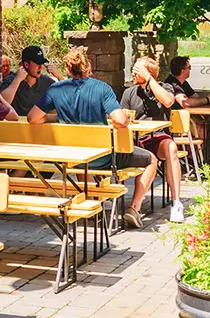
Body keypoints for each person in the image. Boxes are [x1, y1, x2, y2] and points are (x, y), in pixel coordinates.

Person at [28, 47, 157, 229]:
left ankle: (92, 202)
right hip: (102, 157)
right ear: (87, 68)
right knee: (152, 159)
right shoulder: (101, 88)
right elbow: (120, 121)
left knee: (83, 159)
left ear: (67, 70)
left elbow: (33, 118)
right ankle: (134, 208)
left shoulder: (56, 89)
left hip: (72, 158)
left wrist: (57, 117)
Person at [121, 56, 185, 223]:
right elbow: (122, 118)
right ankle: (134, 208)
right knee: (147, 157)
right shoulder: (129, 92)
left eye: (138, 70)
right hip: (136, 140)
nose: (134, 73)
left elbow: (169, 101)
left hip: (158, 138)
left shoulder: (165, 87)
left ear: (150, 73)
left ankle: (177, 203)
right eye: (133, 69)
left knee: (171, 147)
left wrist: (149, 79)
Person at [1, 45, 63, 117]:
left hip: (39, 125)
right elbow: (2, 104)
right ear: (26, 65)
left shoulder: (46, 81)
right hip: (18, 126)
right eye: (37, 64)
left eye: (41, 63)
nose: (41, 67)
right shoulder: (11, 80)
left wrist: (59, 76)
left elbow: (68, 98)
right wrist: (17, 80)